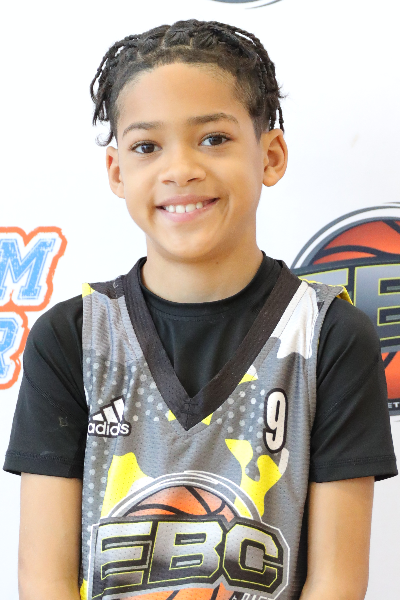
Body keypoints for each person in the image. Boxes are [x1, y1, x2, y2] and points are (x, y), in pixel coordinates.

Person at [4, 19, 397, 600]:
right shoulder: (73, 337)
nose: (180, 168)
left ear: (271, 155)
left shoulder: (328, 336)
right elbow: (45, 580)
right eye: (147, 146)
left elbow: (335, 582)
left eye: (213, 138)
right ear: (117, 171)